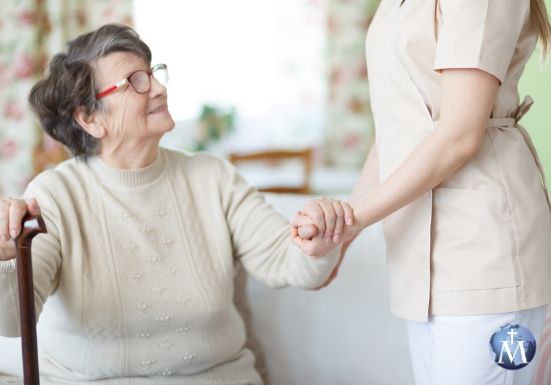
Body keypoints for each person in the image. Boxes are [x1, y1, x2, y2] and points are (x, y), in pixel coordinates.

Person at [0, 23, 353, 385]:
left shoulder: (212, 177)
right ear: (89, 118)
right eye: (135, 81)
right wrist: (5, 256)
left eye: (153, 74)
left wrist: (320, 243)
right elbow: (12, 320)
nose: (158, 88)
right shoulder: (55, 194)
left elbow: (288, 261)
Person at [293, 0, 551, 384]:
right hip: (420, 260)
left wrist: (354, 221)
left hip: (484, 253)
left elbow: (459, 135)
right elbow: (396, 132)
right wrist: (345, 229)